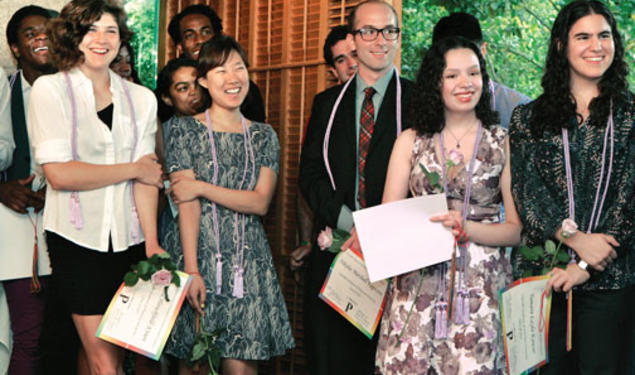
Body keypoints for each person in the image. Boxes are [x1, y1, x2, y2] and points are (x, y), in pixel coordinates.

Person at [27, 0, 165, 374]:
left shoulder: (141, 99)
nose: (102, 39)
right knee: (105, 360)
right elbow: (60, 174)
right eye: (91, 30)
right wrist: (132, 168)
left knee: (111, 356)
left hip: (131, 238)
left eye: (111, 30)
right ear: (73, 37)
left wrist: (151, 243)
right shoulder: (50, 90)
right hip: (76, 238)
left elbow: (148, 178)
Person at [374, 35, 521, 374]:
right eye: (452, 75)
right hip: (417, 289)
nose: (465, 83)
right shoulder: (410, 141)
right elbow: (387, 224)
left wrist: (467, 228)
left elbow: (515, 230)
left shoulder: (501, 142)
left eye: (473, 73)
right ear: (435, 82)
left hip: (480, 294)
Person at [509, 1, 633, 374]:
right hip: (543, 279)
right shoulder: (527, 117)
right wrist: (579, 244)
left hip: (612, 282)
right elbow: (528, 195)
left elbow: (630, 200)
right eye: (584, 36)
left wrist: (584, 266)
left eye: (604, 35)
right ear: (561, 45)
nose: (596, 46)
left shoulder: (629, 115)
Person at [162, 34, 294, 375]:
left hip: (247, 265)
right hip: (197, 257)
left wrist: (202, 186)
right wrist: (191, 270)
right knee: (196, 366)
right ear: (204, 81)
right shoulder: (181, 130)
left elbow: (260, 201)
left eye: (239, 68)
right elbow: (185, 204)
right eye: (220, 71)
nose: (233, 78)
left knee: (241, 368)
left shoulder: (264, 135)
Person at [298, 1, 414, 374]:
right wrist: (352, 223)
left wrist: (379, 231)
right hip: (337, 253)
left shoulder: (418, 101)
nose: (379, 41)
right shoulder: (327, 103)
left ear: (398, 37)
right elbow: (310, 175)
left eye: (389, 31)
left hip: (399, 260)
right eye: (369, 31)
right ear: (353, 37)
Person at [0, 6, 56, 374]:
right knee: (28, 335)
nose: (40, 38)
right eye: (30, 33)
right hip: (17, 226)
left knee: (68, 333)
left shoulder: (80, 90)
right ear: (15, 47)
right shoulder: (4, 90)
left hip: (73, 223)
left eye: (48, 31)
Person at [290, 24, 357, 271]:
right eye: (342, 60)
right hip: (332, 231)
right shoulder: (324, 109)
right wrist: (306, 240)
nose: (352, 64)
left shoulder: (399, 100)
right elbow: (308, 179)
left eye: (356, 55)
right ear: (333, 70)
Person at [167, 4, 266, 123]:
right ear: (180, 47)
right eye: (190, 35)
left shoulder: (241, 87)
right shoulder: (170, 87)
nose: (200, 40)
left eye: (206, 32)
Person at [432, 12, 530, 128]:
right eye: (453, 74)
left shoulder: (519, 109)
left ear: (483, 51)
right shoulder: (418, 107)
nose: (464, 83)